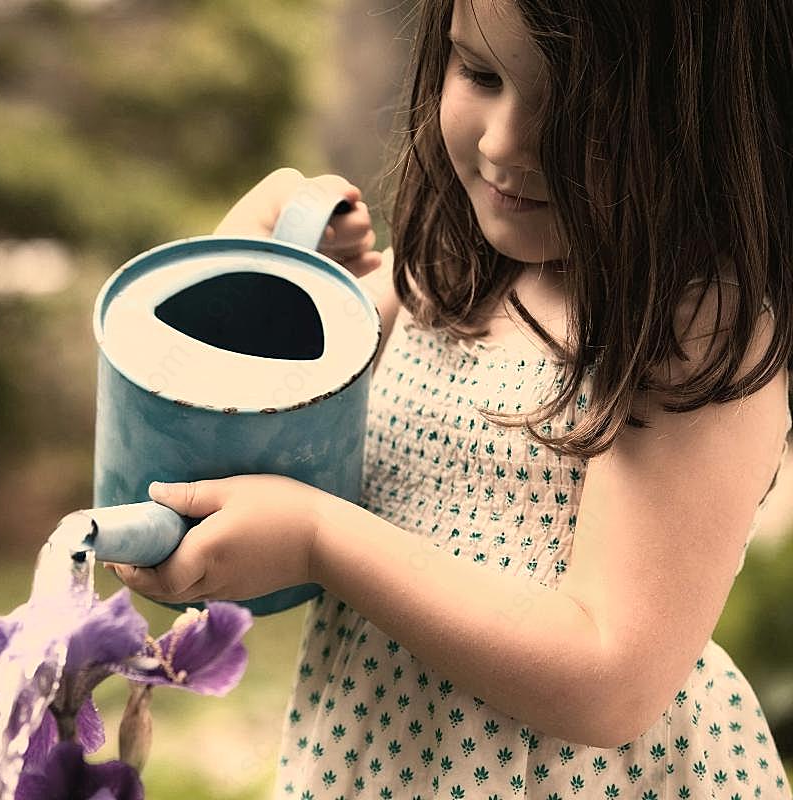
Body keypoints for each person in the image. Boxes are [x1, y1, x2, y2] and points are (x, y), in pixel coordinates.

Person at [110, 0, 793, 797]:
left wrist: (320, 540)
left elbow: (610, 678)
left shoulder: (693, 329)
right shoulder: (442, 276)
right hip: (382, 760)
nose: (504, 142)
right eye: (481, 74)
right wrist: (253, 272)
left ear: (704, 116)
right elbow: (228, 425)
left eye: (579, 107)